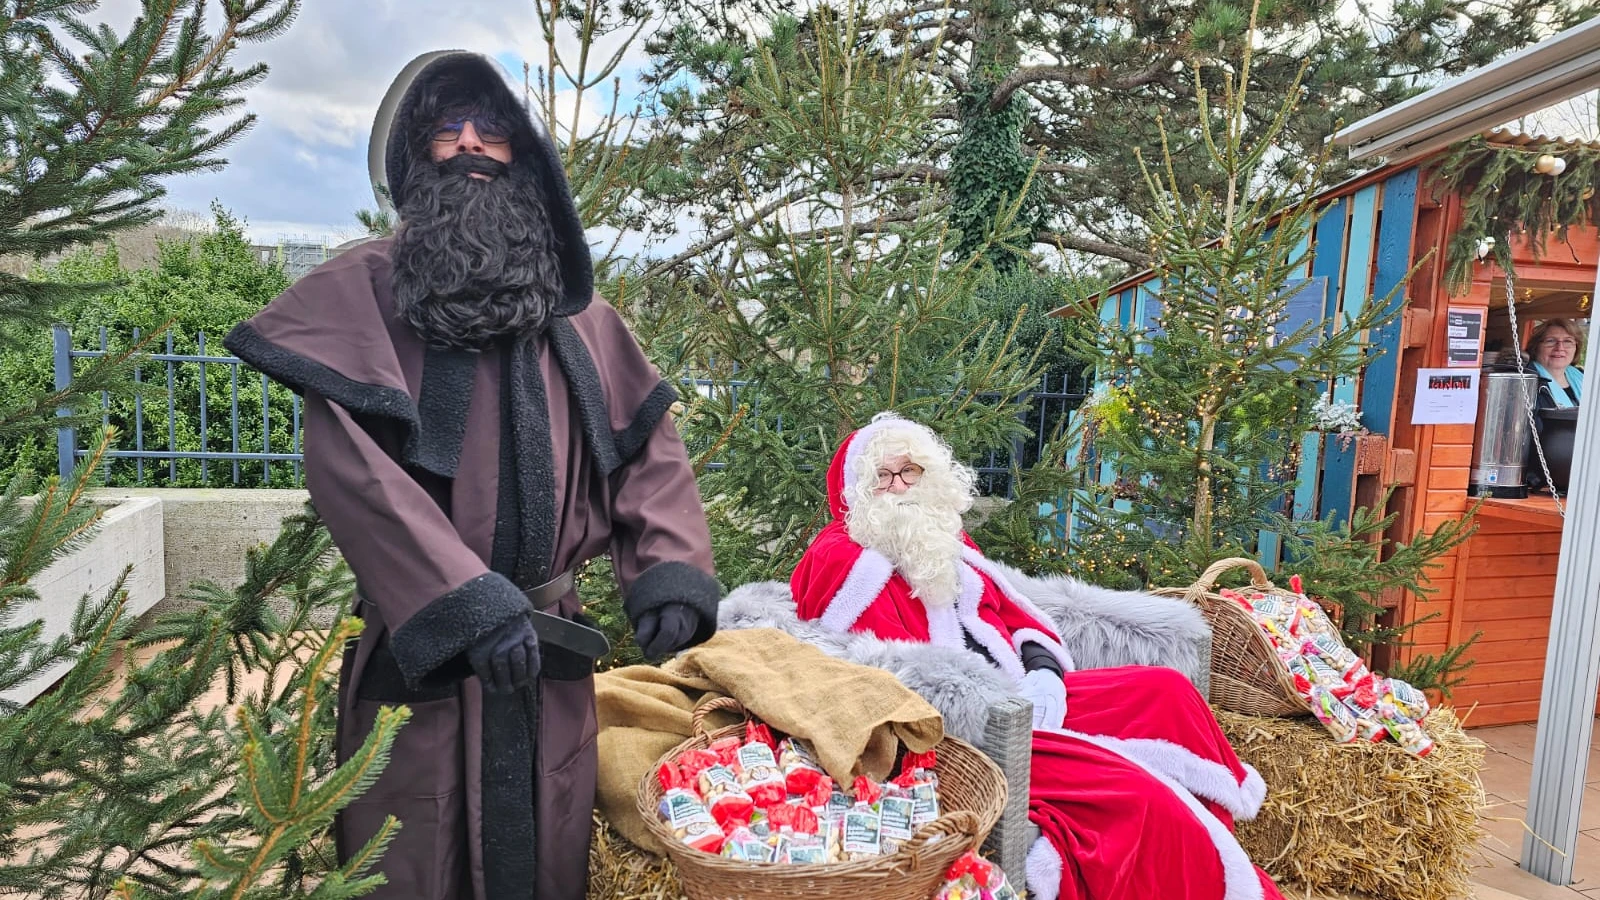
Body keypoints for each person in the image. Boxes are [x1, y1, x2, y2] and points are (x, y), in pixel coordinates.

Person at [222, 50, 721, 900]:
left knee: (548, 849)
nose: (469, 143)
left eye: (490, 127)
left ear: (523, 151)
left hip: (548, 659)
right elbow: (355, 473)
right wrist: (467, 607)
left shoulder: (581, 316)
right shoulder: (362, 294)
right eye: (445, 128)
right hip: (425, 658)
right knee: (413, 855)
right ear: (417, 153)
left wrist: (667, 571)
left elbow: (646, 451)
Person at [791, 412, 1283, 900]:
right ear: (857, 488)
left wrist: (1045, 674)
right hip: (972, 732)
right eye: (883, 475)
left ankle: (1222, 845)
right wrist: (999, 703)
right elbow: (888, 675)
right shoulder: (844, 560)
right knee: (1137, 795)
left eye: (910, 471)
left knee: (1165, 691)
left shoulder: (938, 536)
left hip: (1024, 692)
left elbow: (1011, 612)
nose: (900, 486)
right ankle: (1207, 875)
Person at [1526, 318, 1585, 409]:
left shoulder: (1583, 376)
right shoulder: (1525, 381)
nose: (1560, 348)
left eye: (1567, 341)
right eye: (1551, 341)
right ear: (1536, 346)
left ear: (1576, 347)